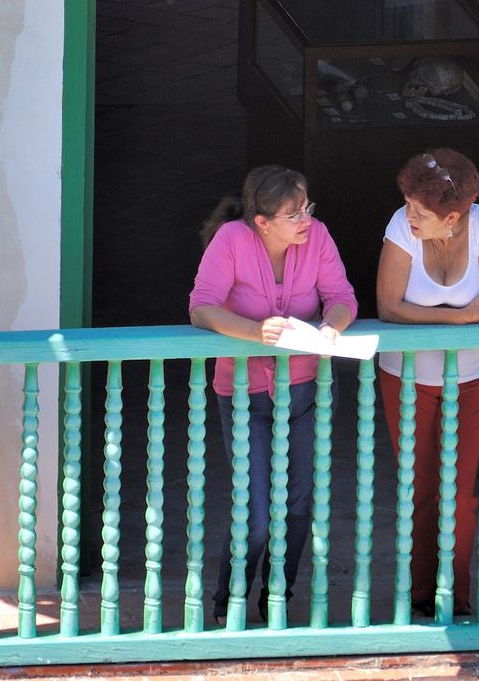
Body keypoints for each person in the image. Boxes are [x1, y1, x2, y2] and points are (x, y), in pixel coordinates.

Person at [189, 166, 357, 623]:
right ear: (261, 221)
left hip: (309, 391)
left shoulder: (317, 237)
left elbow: (342, 295)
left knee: (299, 506)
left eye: (307, 208)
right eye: (292, 213)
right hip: (245, 394)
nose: (305, 219)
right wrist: (254, 332)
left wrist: (331, 325)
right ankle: (230, 600)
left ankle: (278, 596)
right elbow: (202, 308)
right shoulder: (231, 240)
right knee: (257, 515)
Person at [375, 148, 479, 617]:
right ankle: (419, 594)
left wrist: (450, 318)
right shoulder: (400, 226)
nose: (407, 214)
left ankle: (457, 594)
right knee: (420, 486)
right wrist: (459, 319)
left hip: (471, 379)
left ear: (452, 216)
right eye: (407, 202)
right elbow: (388, 307)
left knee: (461, 491)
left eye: (419, 210)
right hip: (405, 378)